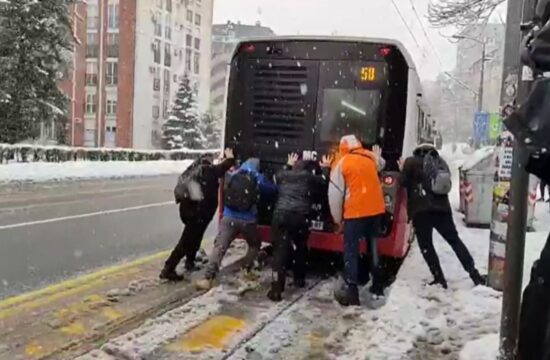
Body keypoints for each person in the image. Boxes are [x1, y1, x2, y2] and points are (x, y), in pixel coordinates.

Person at [399, 144, 485, 289]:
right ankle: (474, 274)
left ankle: (439, 278)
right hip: (442, 210)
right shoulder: (440, 162)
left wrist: (403, 169)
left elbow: (402, 182)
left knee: (426, 246)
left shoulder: (411, 162)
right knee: (454, 241)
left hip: (421, 211)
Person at [195, 157, 277, 290]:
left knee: (220, 246)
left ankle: (207, 278)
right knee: (255, 243)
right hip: (247, 220)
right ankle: (245, 271)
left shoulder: (233, 174)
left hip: (228, 218)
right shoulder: (257, 176)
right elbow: (272, 190)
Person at [328, 134, 387, 306]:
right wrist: (377, 155)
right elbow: (381, 164)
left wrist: (338, 219)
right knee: (374, 246)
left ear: (342, 148)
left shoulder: (342, 163)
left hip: (355, 212)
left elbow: (335, 194)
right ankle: (378, 285)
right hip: (376, 210)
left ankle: (352, 291)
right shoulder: (369, 157)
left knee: (351, 250)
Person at [159, 149, 235, 281]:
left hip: (190, 211)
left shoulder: (193, 170)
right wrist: (230, 158)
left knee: (195, 238)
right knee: (186, 242)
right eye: (212, 160)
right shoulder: (207, 170)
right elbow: (224, 167)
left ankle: (190, 261)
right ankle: (168, 268)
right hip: (197, 213)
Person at [267, 153, 332, 302]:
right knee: (300, 247)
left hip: (281, 216)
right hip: (300, 217)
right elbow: (324, 182)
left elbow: (276, 177)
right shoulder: (309, 178)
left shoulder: (284, 175)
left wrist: (288, 164)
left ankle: (276, 289)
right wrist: (326, 168)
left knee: (280, 252)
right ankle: (299, 278)